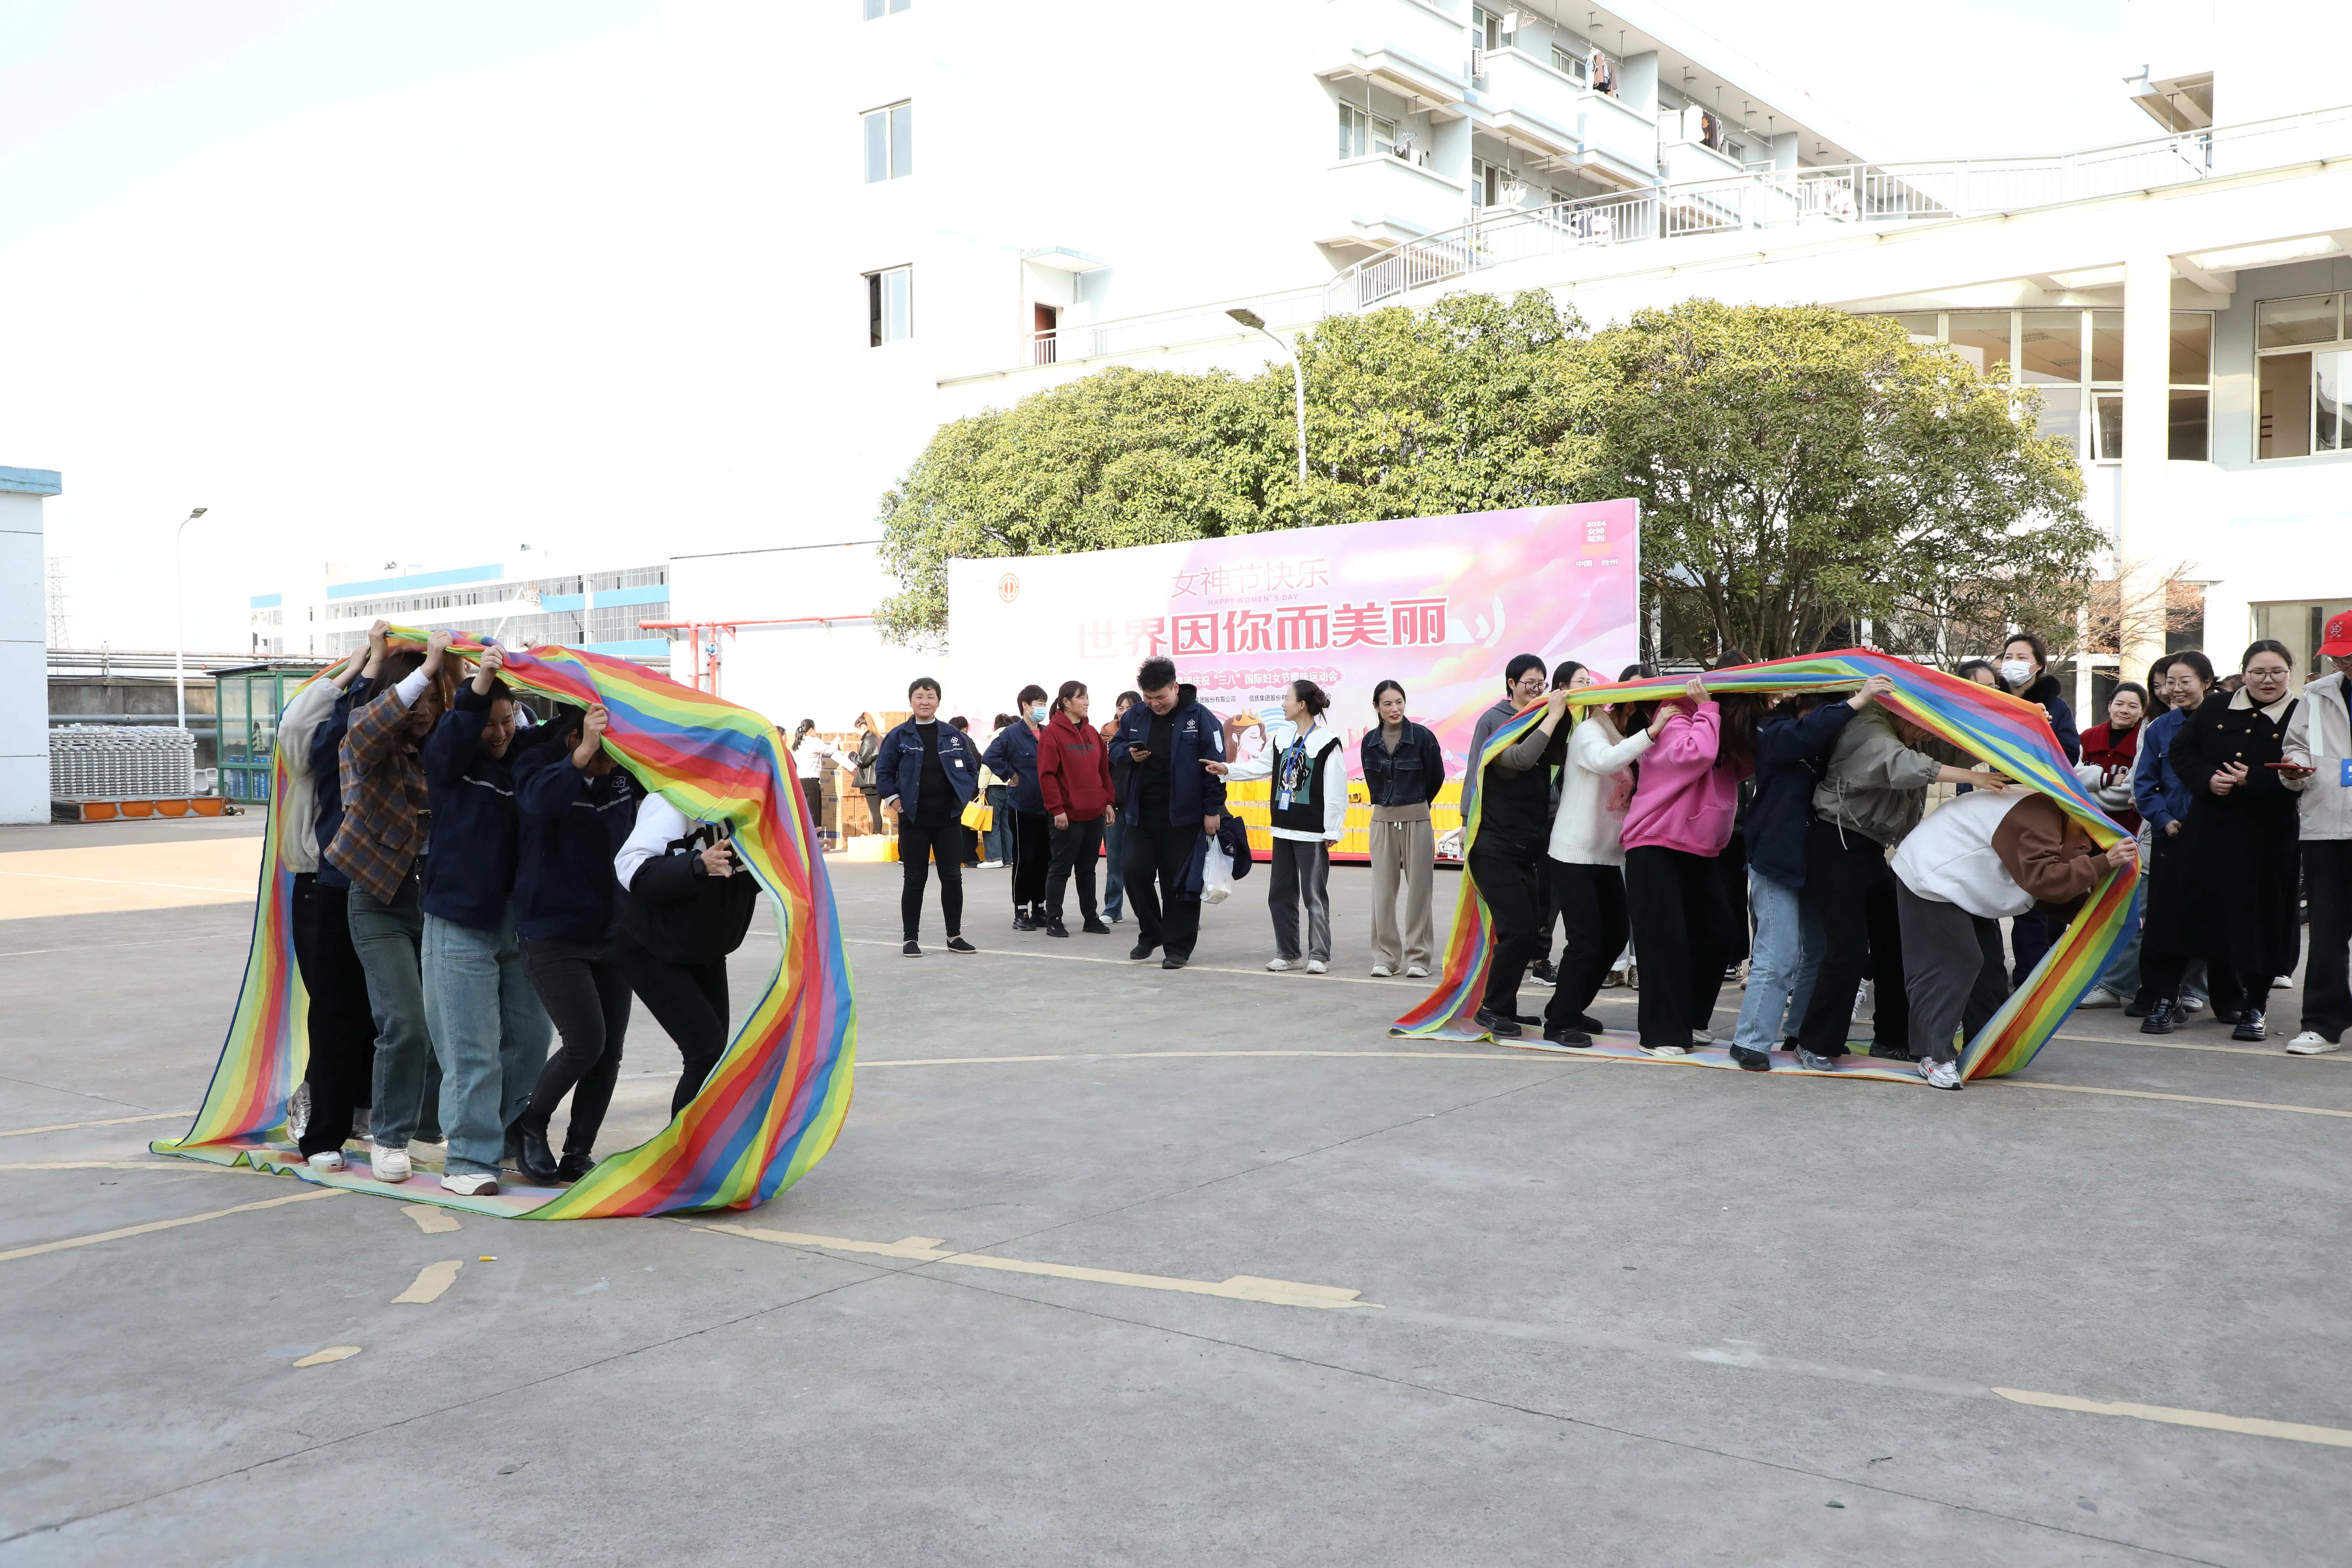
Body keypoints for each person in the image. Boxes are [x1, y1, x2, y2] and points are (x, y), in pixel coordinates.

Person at [419, 644, 559, 1196]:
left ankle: (502, 1139)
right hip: (458, 925)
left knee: (530, 1039)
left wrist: (582, 688)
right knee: (470, 1048)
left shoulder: (522, 761)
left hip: (519, 925)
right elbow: (457, 734)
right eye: (490, 723)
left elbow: (563, 733)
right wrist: (483, 684)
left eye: (509, 721)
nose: (500, 734)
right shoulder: (450, 761)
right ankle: (469, 1159)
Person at [1795, 690, 1997, 1071]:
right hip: (1836, 843)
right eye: (1922, 729)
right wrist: (1975, 778)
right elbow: (1901, 764)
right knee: (1848, 948)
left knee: (1895, 942)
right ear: (1903, 712)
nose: (1926, 737)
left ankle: (1892, 1039)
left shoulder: (1908, 730)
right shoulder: (1868, 728)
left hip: (1869, 850)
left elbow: (1947, 752)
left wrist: (2003, 738)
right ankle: (1815, 1042)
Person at [1892, 783, 2136, 1088]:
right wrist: (2104, 864)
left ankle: (1984, 1049)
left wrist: (2107, 917)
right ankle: (1933, 1056)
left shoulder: (2055, 820)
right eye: (2083, 857)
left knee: (1990, 967)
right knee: (1955, 963)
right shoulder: (2040, 818)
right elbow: (2045, 882)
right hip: (1932, 873)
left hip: (1965, 880)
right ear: (2086, 845)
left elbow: (2049, 890)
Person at [327, 629, 454, 1188]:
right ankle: (392, 1136)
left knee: (442, 1020)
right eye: (416, 694)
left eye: (435, 696)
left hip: (441, 898)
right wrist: (423, 670)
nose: (425, 709)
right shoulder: (367, 741)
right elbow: (364, 730)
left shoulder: (449, 745)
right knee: (402, 1018)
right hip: (378, 899)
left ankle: (427, 1129)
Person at [2140, 642, 2306, 1041]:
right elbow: (2181, 751)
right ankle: (2165, 999)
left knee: (2258, 920)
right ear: (2244, 672)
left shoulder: (2303, 714)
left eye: (2277, 672)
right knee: (2180, 913)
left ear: (2290, 673)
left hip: (2268, 834)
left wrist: (2257, 780)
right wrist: (2206, 779)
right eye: (2259, 672)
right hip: (2208, 829)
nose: (2268, 680)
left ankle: (2255, 1007)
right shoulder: (2215, 708)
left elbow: (2306, 774)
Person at [509, 700, 640, 1186]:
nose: (614, 768)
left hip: (612, 931)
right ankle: (530, 1124)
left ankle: (578, 1151)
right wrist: (584, 755)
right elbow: (541, 802)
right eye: (606, 757)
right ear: (576, 741)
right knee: (585, 1042)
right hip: (552, 932)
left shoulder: (622, 774)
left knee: (610, 1050)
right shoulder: (538, 766)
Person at [1728, 676, 1888, 1069]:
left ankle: (1800, 1032)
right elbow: (1800, 737)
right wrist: (1855, 702)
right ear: (1802, 705)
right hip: (1776, 859)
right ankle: (1750, 1041)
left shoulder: (1822, 735)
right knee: (1777, 954)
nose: (1828, 722)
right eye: (1822, 712)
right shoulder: (1776, 730)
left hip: (1816, 861)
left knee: (1819, 950)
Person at [1618, 671, 1765, 1056]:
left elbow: (1746, 762)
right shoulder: (1675, 717)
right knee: (1663, 941)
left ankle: (1690, 1018)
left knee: (1719, 932)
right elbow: (1693, 755)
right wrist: (1707, 709)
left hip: (1698, 848)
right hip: (1655, 842)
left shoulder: (1712, 724)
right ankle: (1661, 1034)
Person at [279, 637, 374, 1167]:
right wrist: (355, 670)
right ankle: (320, 1124)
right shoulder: (320, 745)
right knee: (338, 1008)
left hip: (378, 884)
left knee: (383, 1011)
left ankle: (360, 1111)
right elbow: (294, 727)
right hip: (323, 882)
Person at [615, 793, 761, 1114]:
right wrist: (697, 865)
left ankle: (700, 1151)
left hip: (704, 946)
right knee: (704, 1049)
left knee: (713, 1054)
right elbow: (631, 868)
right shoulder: (673, 800)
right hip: (652, 946)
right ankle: (683, 1156)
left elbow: (745, 876)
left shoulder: (751, 809)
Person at [1539, 667, 1662, 1046]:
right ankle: (1560, 1022)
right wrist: (1651, 735)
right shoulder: (1591, 732)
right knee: (1586, 940)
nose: (1648, 717)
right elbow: (1606, 761)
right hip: (1573, 855)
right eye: (1644, 710)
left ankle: (1571, 1007)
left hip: (1607, 857)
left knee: (1613, 937)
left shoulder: (1621, 734)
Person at [1464, 654, 1573, 1037]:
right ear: (1511, 684)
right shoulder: (1496, 721)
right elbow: (1520, 760)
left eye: (1542, 683)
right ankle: (1492, 1008)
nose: (1537, 689)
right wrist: (1553, 717)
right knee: (1518, 929)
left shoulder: (1540, 717)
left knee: (1527, 932)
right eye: (1530, 683)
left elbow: (1558, 755)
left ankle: (1505, 1006)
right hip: (1493, 845)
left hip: (1526, 846)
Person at [1208, 679, 1346, 973]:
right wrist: (1227, 769)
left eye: (1287, 699)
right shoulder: (1282, 738)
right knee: (1280, 893)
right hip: (1283, 828)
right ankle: (1288, 952)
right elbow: (1259, 766)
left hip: (1313, 832)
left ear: (1302, 705)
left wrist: (1333, 830)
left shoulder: (1328, 742)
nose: (1283, 704)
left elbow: (1337, 791)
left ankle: (1319, 955)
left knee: (1314, 895)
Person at [1108, 657, 1226, 970]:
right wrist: (1129, 755)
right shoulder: (1136, 714)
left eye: (1160, 698)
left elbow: (1214, 768)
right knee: (1133, 872)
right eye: (1149, 698)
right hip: (1141, 815)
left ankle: (1178, 947)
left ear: (1175, 687)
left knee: (1180, 884)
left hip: (1184, 819)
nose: (1154, 704)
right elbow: (1115, 750)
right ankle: (1151, 932)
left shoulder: (1200, 718)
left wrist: (1212, 810)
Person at [2134, 652, 2225, 1023]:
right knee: (2163, 920)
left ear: (2207, 682)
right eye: (2170, 682)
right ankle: (2159, 995)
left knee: (2219, 918)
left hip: (2219, 836)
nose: (2175, 689)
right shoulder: (2159, 728)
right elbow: (2145, 785)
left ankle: (2224, 997)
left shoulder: (2226, 722)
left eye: (2185, 681)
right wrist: (2165, 819)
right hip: (2172, 834)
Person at [2283, 612, 2352, 1054]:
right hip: (2328, 824)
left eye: (2348, 655)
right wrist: (2296, 772)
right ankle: (2324, 1024)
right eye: (2337, 656)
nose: (2343, 664)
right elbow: (2295, 744)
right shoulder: (2315, 695)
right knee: (2327, 930)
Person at [1998, 633, 2081, 986]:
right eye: (2008, 655)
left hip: (2037, 805)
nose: (2013, 661)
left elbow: (2069, 755)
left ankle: (2031, 976)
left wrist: (2043, 728)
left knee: (2033, 894)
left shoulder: (2055, 708)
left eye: (2022, 656)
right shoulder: (1990, 699)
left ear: (2038, 665)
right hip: (1994, 799)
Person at [876, 677, 981, 956]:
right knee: (914, 879)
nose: (925, 701)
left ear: (938, 701)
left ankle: (954, 936)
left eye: (931, 696)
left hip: (948, 820)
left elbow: (973, 768)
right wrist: (898, 804)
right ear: (911, 701)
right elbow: (884, 774)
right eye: (919, 696)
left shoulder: (953, 735)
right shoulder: (898, 737)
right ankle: (911, 939)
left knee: (952, 877)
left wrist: (964, 796)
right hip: (914, 821)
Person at [2073, 680, 2149, 1009]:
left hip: (2128, 834)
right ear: (2110, 705)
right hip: (2088, 833)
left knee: (2126, 908)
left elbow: (2132, 789)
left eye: (2133, 706)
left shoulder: (2143, 739)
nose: (2125, 710)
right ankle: (2090, 976)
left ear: (2142, 711)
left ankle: (2117, 982)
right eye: (2120, 703)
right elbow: (2073, 778)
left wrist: (2093, 791)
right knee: (2094, 907)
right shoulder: (2089, 737)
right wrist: (2106, 780)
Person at [1362, 680, 1444, 979]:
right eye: (1387, 704)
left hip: (1418, 818)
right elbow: (1373, 782)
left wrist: (1416, 807)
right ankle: (1385, 957)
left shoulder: (1423, 737)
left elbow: (1436, 777)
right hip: (1382, 820)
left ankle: (1419, 958)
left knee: (1420, 891)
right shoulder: (1369, 741)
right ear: (1377, 708)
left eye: (1399, 702)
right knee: (1383, 893)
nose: (1395, 709)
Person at [1036, 680, 1114, 938]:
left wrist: (1108, 802)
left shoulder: (1093, 733)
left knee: (1087, 868)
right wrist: (1057, 809)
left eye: (1088, 697)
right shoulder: (1053, 733)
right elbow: (1047, 775)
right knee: (1060, 867)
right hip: (1067, 814)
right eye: (1082, 698)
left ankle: (1090, 918)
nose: (1087, 702)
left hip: (1094, 812)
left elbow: (1104, 771)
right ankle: (1054, 919)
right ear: (1066, 702)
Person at [983, 687, 1054, 930]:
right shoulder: (1011, 734)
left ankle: (1040, 908)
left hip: (1048, 806)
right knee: (1026, 859)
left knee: (1045, 859)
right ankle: (1021, 911)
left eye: (1045, 703)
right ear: (1025, 705)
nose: (1042, 708)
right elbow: (990, 756)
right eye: (1039, 703)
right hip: (1022, 806)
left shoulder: (1047, 733)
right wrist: (1009, 774)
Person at [1100, 692, 1140, 923]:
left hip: (1142, 807)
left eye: (1129, 707)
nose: (1124, 712)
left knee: (1142, 862)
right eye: (1121, 707)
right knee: (1114, 859)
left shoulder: (1149, 732)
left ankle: (1148, 910)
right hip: (1115, 806)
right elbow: (1102, 774)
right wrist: (1107, 802)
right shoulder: (1106, 736)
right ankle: (1112, 908)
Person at [789, 720, 835, 848]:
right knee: (814, 813)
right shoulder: (813, 741)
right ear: (812, 730)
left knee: (803, 812)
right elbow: (830, 751)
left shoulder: (798, 743)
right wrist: (837, 740)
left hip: (799, 781)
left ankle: (804, 842)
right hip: (811, 781)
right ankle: (815, 843)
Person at [978, 714, 1013, 868]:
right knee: (1007, 823)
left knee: (992, 822)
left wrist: (982, 786)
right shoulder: (1014, 734)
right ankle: (1009, 858)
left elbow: (987, 763)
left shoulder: (997, 736)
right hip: (1011, 784)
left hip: (995, 785)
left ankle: (994, 858)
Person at [949, 717, 985, 867]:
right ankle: (969, 856)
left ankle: (952, 857)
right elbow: (977, 761)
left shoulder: (945, 739)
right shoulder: (966, 741)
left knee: (951, 823)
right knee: (969, 824)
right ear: (965, 728)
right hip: (966, 788)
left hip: (949, 787)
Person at [850, 714, 883, 834]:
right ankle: (877, 833)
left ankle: (877, 834)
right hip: (879, 779)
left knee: (875, 811)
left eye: (857, 731)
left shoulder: (869, 740)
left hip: (870, 781)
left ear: (862, 726)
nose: (858, 735)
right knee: (877, 810)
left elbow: (862, 760)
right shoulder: (878, 738)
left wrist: (851, 755)